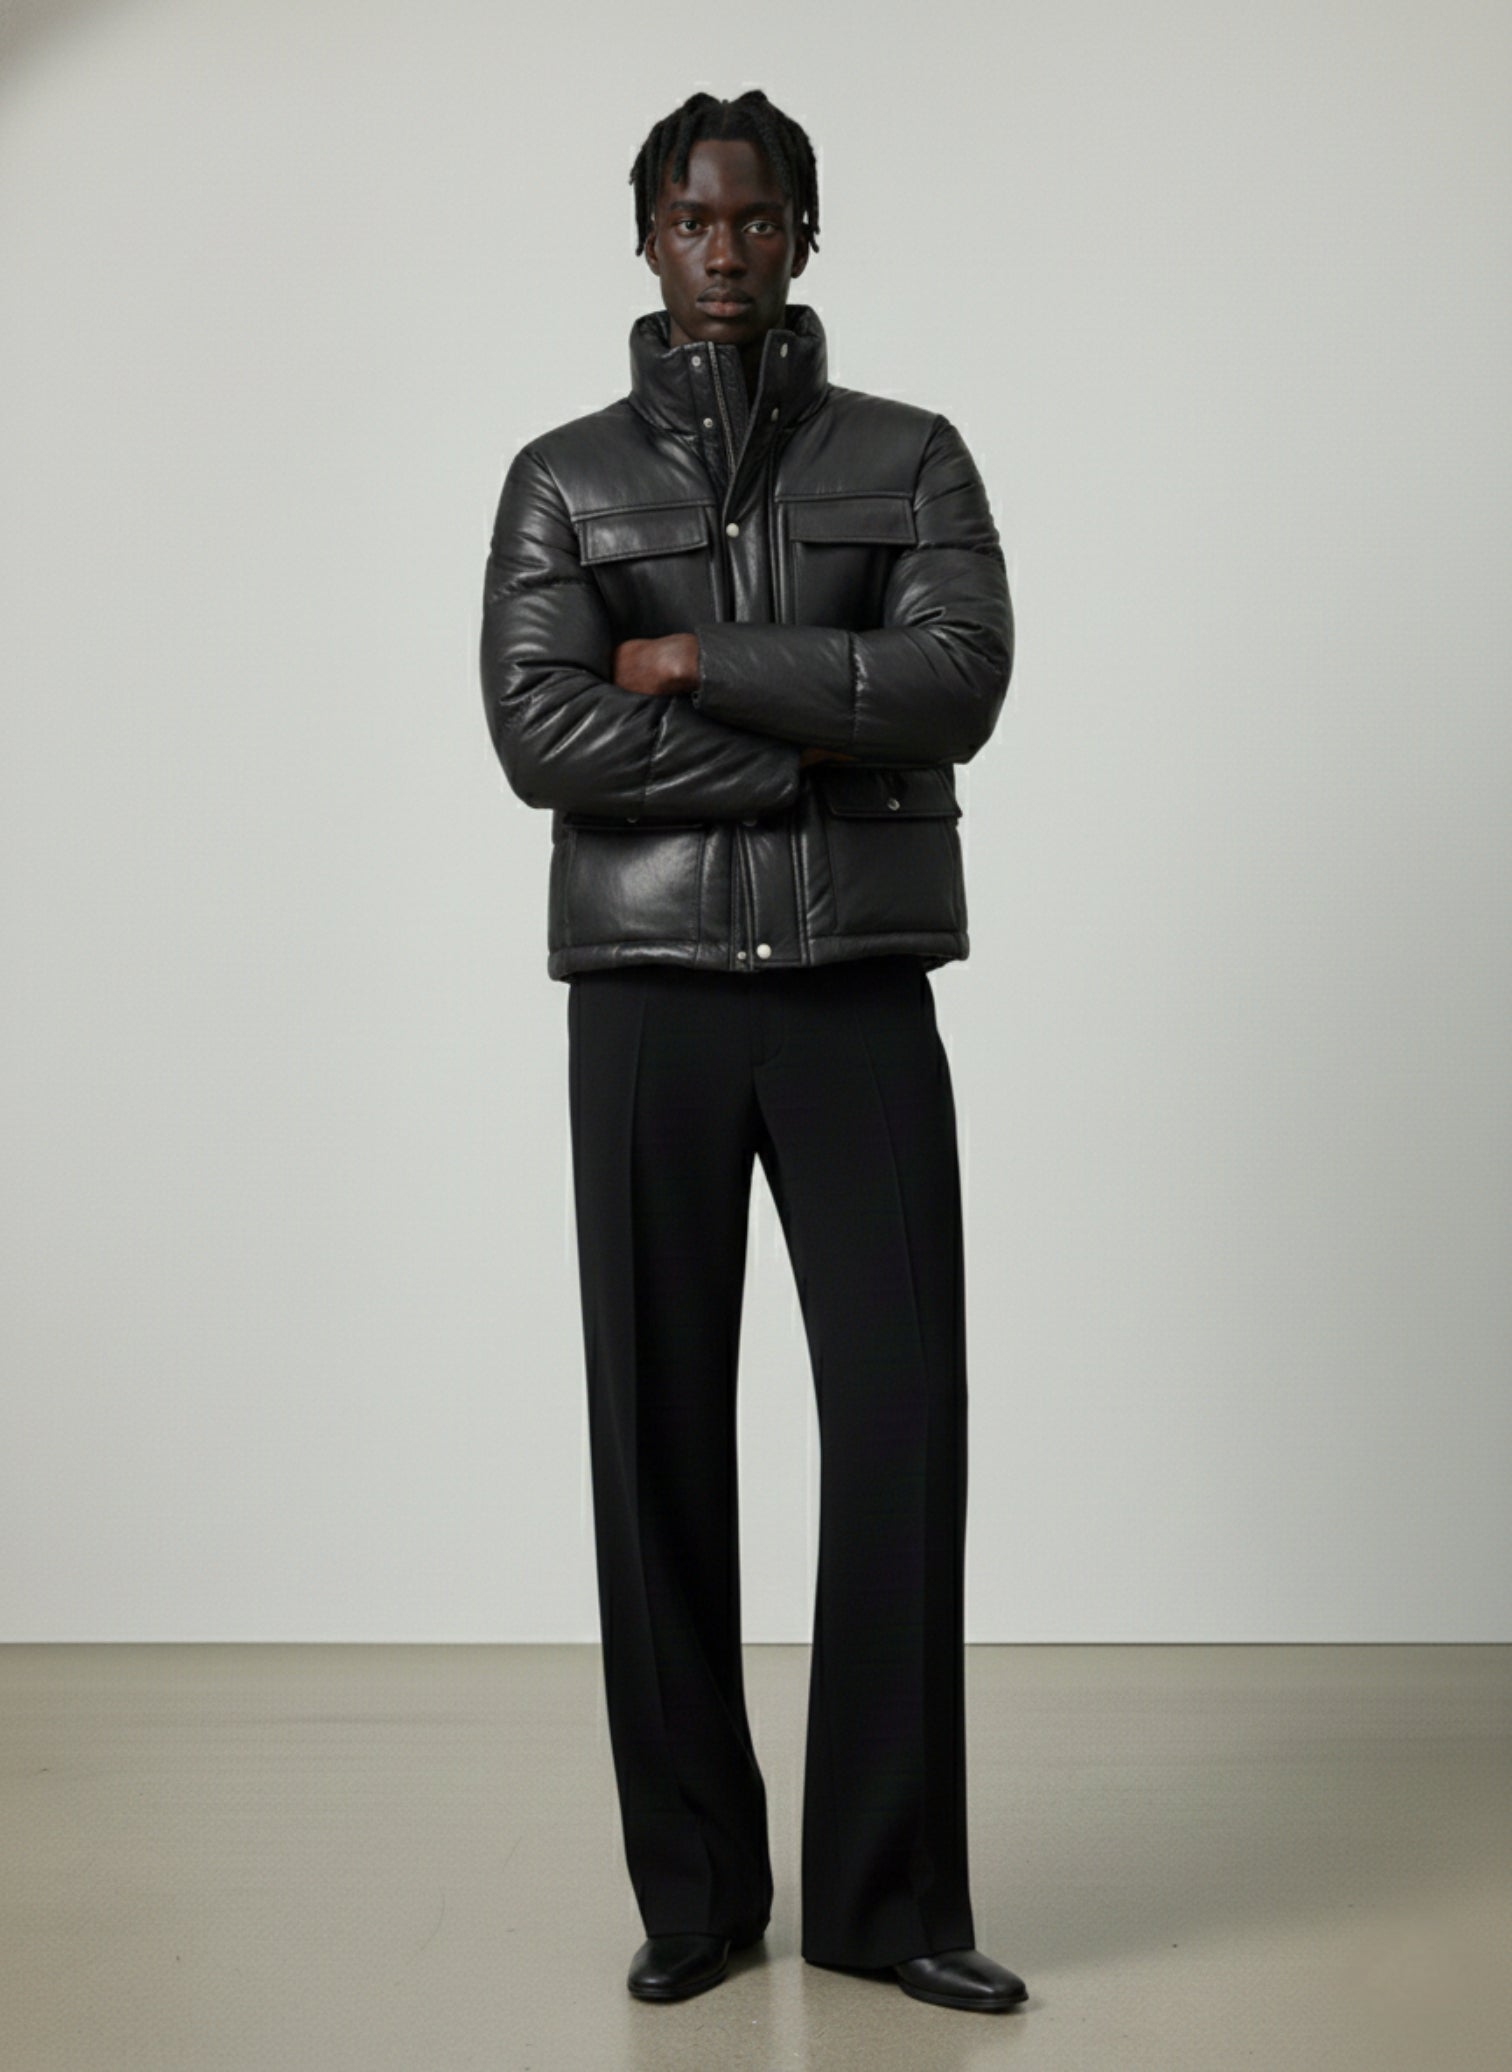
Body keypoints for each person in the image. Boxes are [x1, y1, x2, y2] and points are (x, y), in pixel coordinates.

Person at [478, 88, 1025, 2016]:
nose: (727, 251)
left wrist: (701, 659)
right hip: (648, 1001)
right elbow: (539, 729)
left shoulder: (913, 455)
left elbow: (957, 682)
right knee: (655, 1436)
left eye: (760, 219)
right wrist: (808, 751)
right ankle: (698, 1895)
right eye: (694, 221)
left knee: (902, 1422)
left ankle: (891, 1900)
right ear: (646, 235)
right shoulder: (561, 483)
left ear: (805, 233)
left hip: (858, 991)